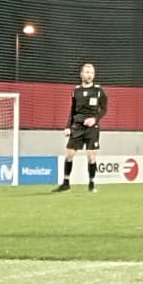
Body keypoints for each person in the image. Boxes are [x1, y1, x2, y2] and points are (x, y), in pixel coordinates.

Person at [55, 63, 107, 193]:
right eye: (87, 72)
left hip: (92, 128)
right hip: (77, 126)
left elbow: (104, 109)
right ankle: (66, 183)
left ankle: (92, 183)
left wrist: (95, 119)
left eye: (91, 73)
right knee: (69, 154)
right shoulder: (76, 91)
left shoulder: (98, 91)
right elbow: (72, 110)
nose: (89, 75)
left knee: (91, 156)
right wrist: (68, 127)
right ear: (81, 74)